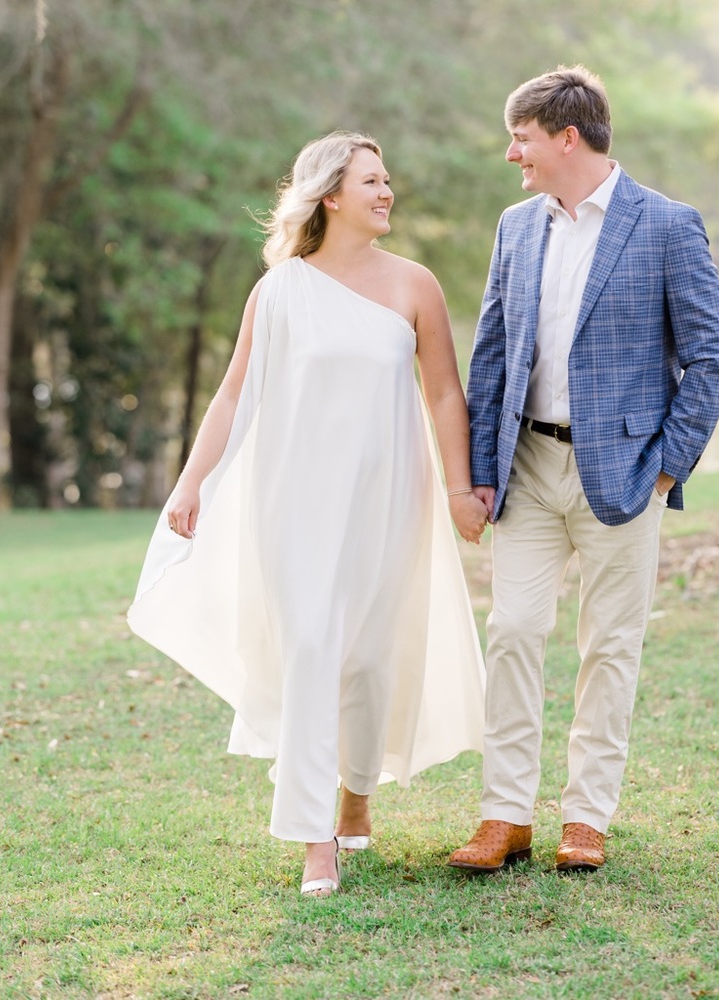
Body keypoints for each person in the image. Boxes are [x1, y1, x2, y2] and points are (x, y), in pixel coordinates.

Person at [128, 131, 489, 897]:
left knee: (369, 655)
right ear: (330, 195)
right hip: (295, 499)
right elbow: (232, 394)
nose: (387, 191)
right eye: (371, 180)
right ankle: (312, 836)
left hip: (391, 493)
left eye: (388, 179)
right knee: (313, 649)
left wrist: (461, 489)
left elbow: (444, 394)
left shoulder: (414, 284)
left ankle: (357, 792)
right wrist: (192, 483)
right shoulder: (282, 290)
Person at [448, 66, 719, 874]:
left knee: (611, 646)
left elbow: (712, 355)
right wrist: (477, 472)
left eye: (523, 138)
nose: (513, 153)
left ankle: (587, 819)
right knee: (511, 633)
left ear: (566, 137)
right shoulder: (515, 226)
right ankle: (504, 815)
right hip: (526, 467)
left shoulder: (668, 226)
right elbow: (493, 352)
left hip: (626, 475)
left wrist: (667, 470)